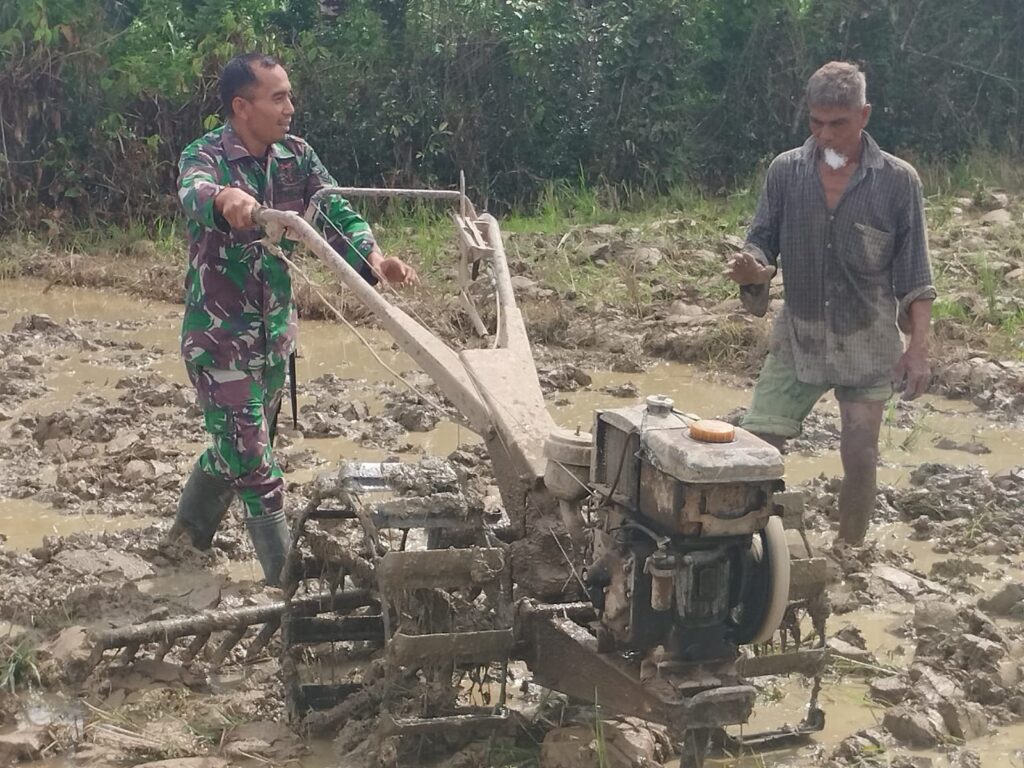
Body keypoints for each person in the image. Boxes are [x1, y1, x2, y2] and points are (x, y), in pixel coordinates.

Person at [169, 53, 416, 584]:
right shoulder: (206, 154)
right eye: (277, 97)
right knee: (256, 465)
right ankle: (289, 592)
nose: (290, 108)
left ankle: (183, 540)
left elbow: (333, 213)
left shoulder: (296, 159)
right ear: (242, 106)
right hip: (220, 342)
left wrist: (374, 260)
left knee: (238, 448)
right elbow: (196, 192)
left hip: (274, 338)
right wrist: (227, 200)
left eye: (289, 95)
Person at [727, 61, 935, 547]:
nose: (825, 135)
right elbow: (760, 243)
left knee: (860, 451)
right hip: (799, 336)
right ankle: (744, 545)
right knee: (758, 445)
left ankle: (850, 549)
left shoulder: (898, 182)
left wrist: (918, 348)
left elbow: (915, 275)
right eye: (815, 123)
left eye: (837, 124)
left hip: (867, 338)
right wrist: (754, 270)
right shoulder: (786, 171)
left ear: (864, 115)